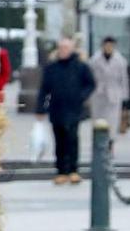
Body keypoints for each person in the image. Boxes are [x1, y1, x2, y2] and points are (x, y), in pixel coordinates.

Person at [38, 36, 96, 184]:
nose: (63, 50)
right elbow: (44, 89)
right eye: (61, 48)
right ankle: (61, 171)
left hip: (74, 108)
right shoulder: (51, 67)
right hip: (56, 108)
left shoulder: (80, 66)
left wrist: (81, 97)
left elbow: (91, 83)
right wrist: (40, 108)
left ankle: (73, 170)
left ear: (71, 49)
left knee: (72, 139)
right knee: (59, 140)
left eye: (66, 48)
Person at [89, 37, 129, 146]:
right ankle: (98, 145)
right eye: (106, 46)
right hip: (98, 94)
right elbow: (89, 78)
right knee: (97, 122)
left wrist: (125, 99)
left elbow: (124, 80)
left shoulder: (120, 61)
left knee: (112, 123)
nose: (108, 48)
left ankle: (110, 146)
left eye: (110, 46)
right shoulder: (94, 60)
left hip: (114, 95)